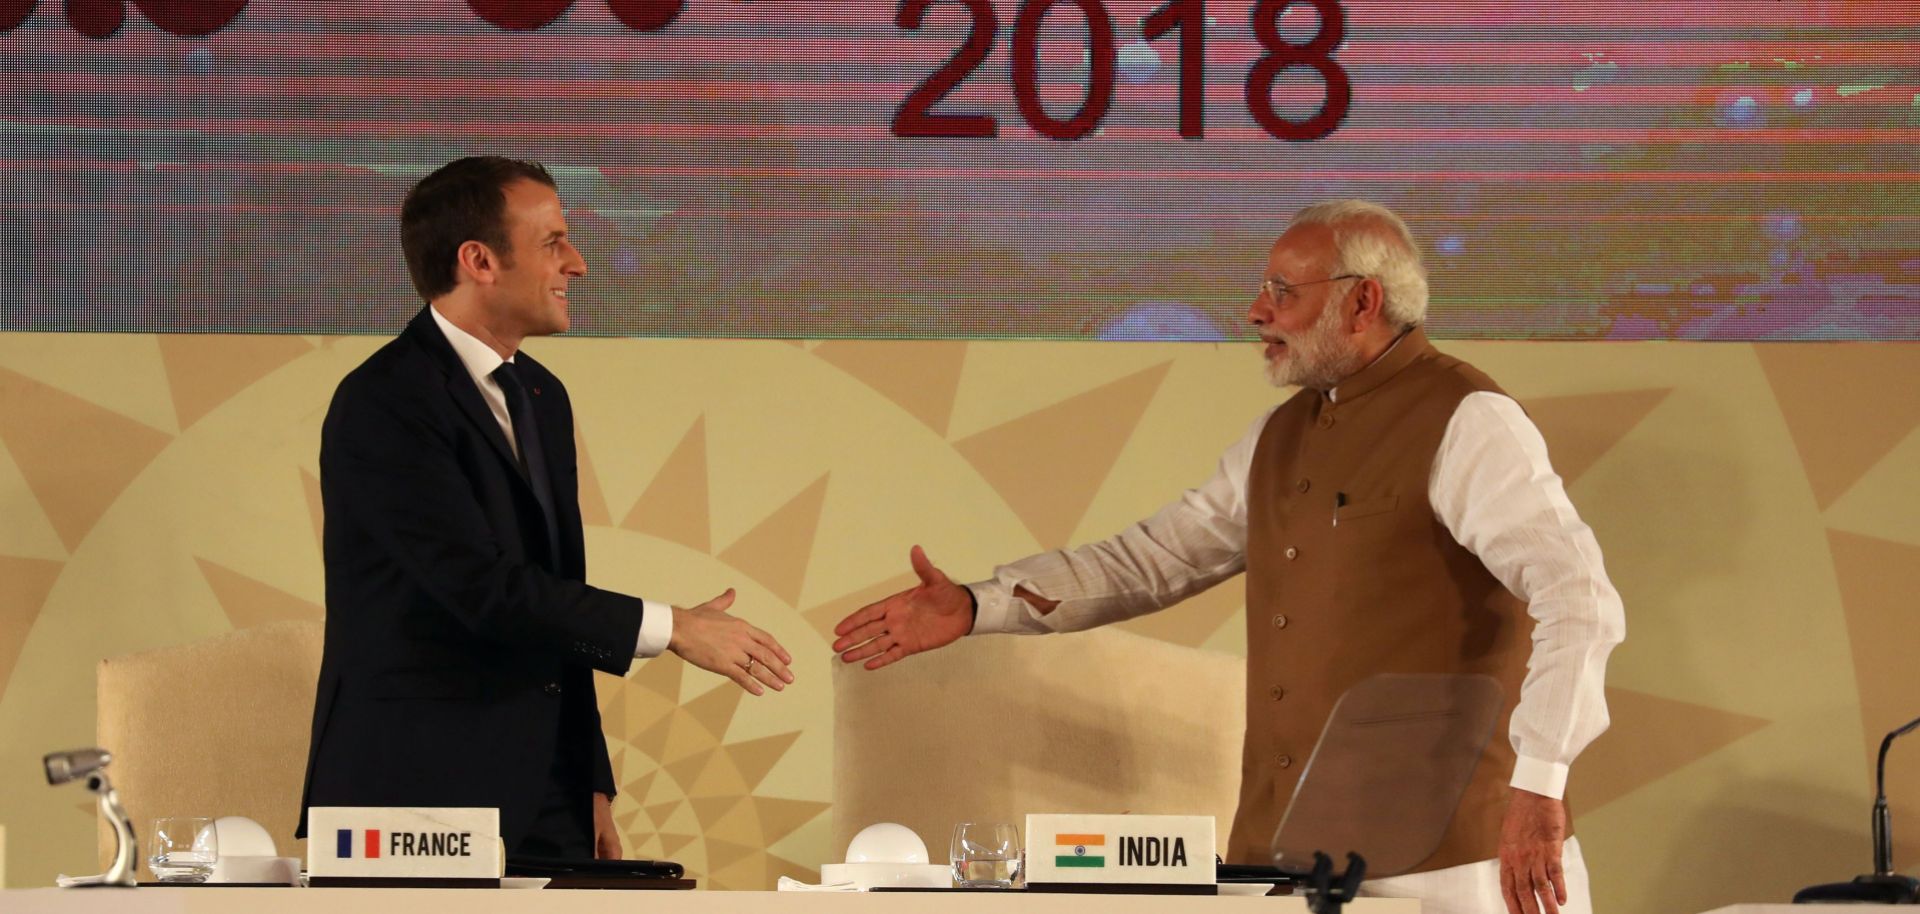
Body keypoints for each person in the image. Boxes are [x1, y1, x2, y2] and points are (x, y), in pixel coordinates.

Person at [832, 200, 1625, 914]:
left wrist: (1540, 785)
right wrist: (978, 603)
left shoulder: (1468, 419)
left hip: (1459, 865)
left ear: (1362, 301)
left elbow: (1579, 598)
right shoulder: (1277, 440)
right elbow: (1148, 561)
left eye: (1285, 291)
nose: (1257, 311)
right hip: (1293, 864)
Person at [296, 156, 794, 859]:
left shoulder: (540, 394)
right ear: (479, 261)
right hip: (415, 797)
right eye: (553, 242)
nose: (578, 263)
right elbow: (484, 590)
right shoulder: (385, 401)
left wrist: (588, 776)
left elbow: (554, 591)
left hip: (546, 796)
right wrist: (672, 627)